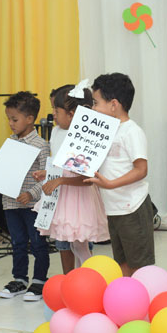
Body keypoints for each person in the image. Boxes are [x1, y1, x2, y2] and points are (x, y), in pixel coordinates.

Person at [33, 82, 108, 273]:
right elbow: (60, 165)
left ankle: (90, 276)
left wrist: (60, 180)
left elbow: (85, 179)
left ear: (72, 114)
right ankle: (80, 278)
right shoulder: (57, 132)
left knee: (80, 244)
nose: (53, 115)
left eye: (56, 111)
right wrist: (47, 173)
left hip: (78, 199)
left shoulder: (85, 137)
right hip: (64, 197)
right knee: (74, 245)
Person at [85, 73, 155, 277]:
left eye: (96, 103)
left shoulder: (131, 131)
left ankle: (142, 295)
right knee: (121, 261)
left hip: (132, 207)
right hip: (113, 208)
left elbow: (141, 169)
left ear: (113, 104)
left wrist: (110, 184)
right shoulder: (105, 131)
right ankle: (125, 295)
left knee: (139, 264)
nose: (93, 109)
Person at [0, 91, 50, 301]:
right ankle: (20, 279)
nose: (10, 123)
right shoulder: (10, 142)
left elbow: (47, 177)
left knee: (38, 243)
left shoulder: (41, 145)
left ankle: (39, 280)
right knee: (17, 243)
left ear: (30, 119)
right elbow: (3, 170)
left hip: (32, 205)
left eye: (14, 119)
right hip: (10, 203)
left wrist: (31, 193)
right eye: (9, 119)